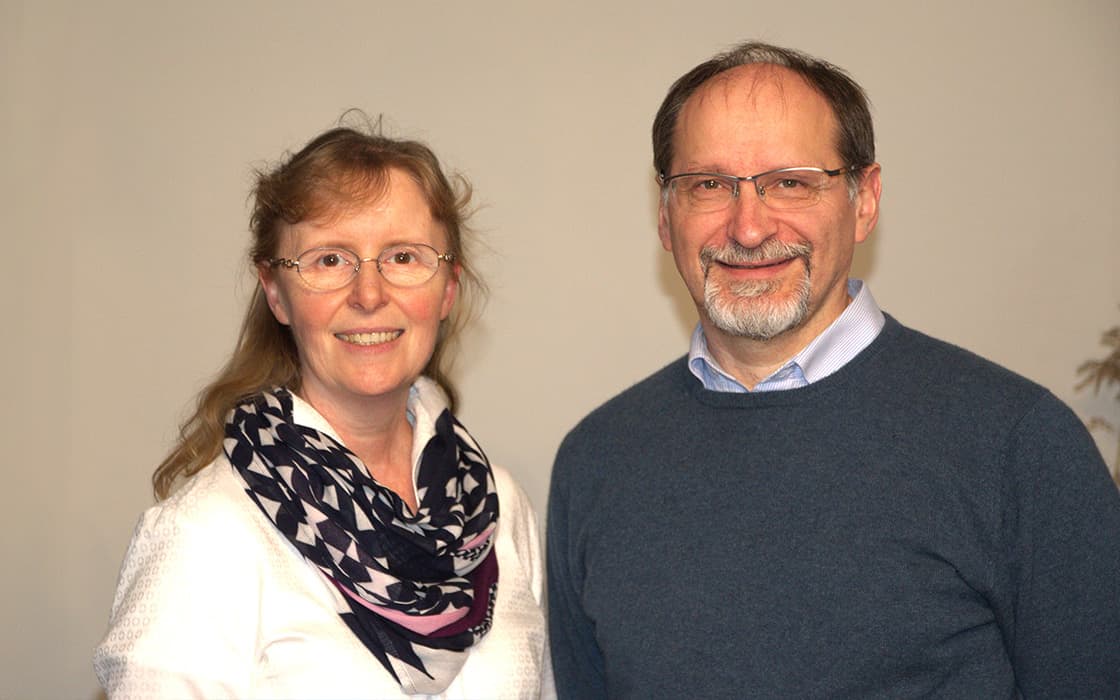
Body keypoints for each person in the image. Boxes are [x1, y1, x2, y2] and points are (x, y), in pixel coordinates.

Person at [547, 41, 1120, 698]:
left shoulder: (1017, 442)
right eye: (708, 185)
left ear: (864, 200)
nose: (749, 227)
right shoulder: (597, 460)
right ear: (665, 213)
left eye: (789, 182)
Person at [95, 123, 553, 699]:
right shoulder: (208, 532)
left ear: (448, 288)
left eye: (404, 257)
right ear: (275, 292)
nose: (368, 294)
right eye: (329, 260)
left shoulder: (498, 509)